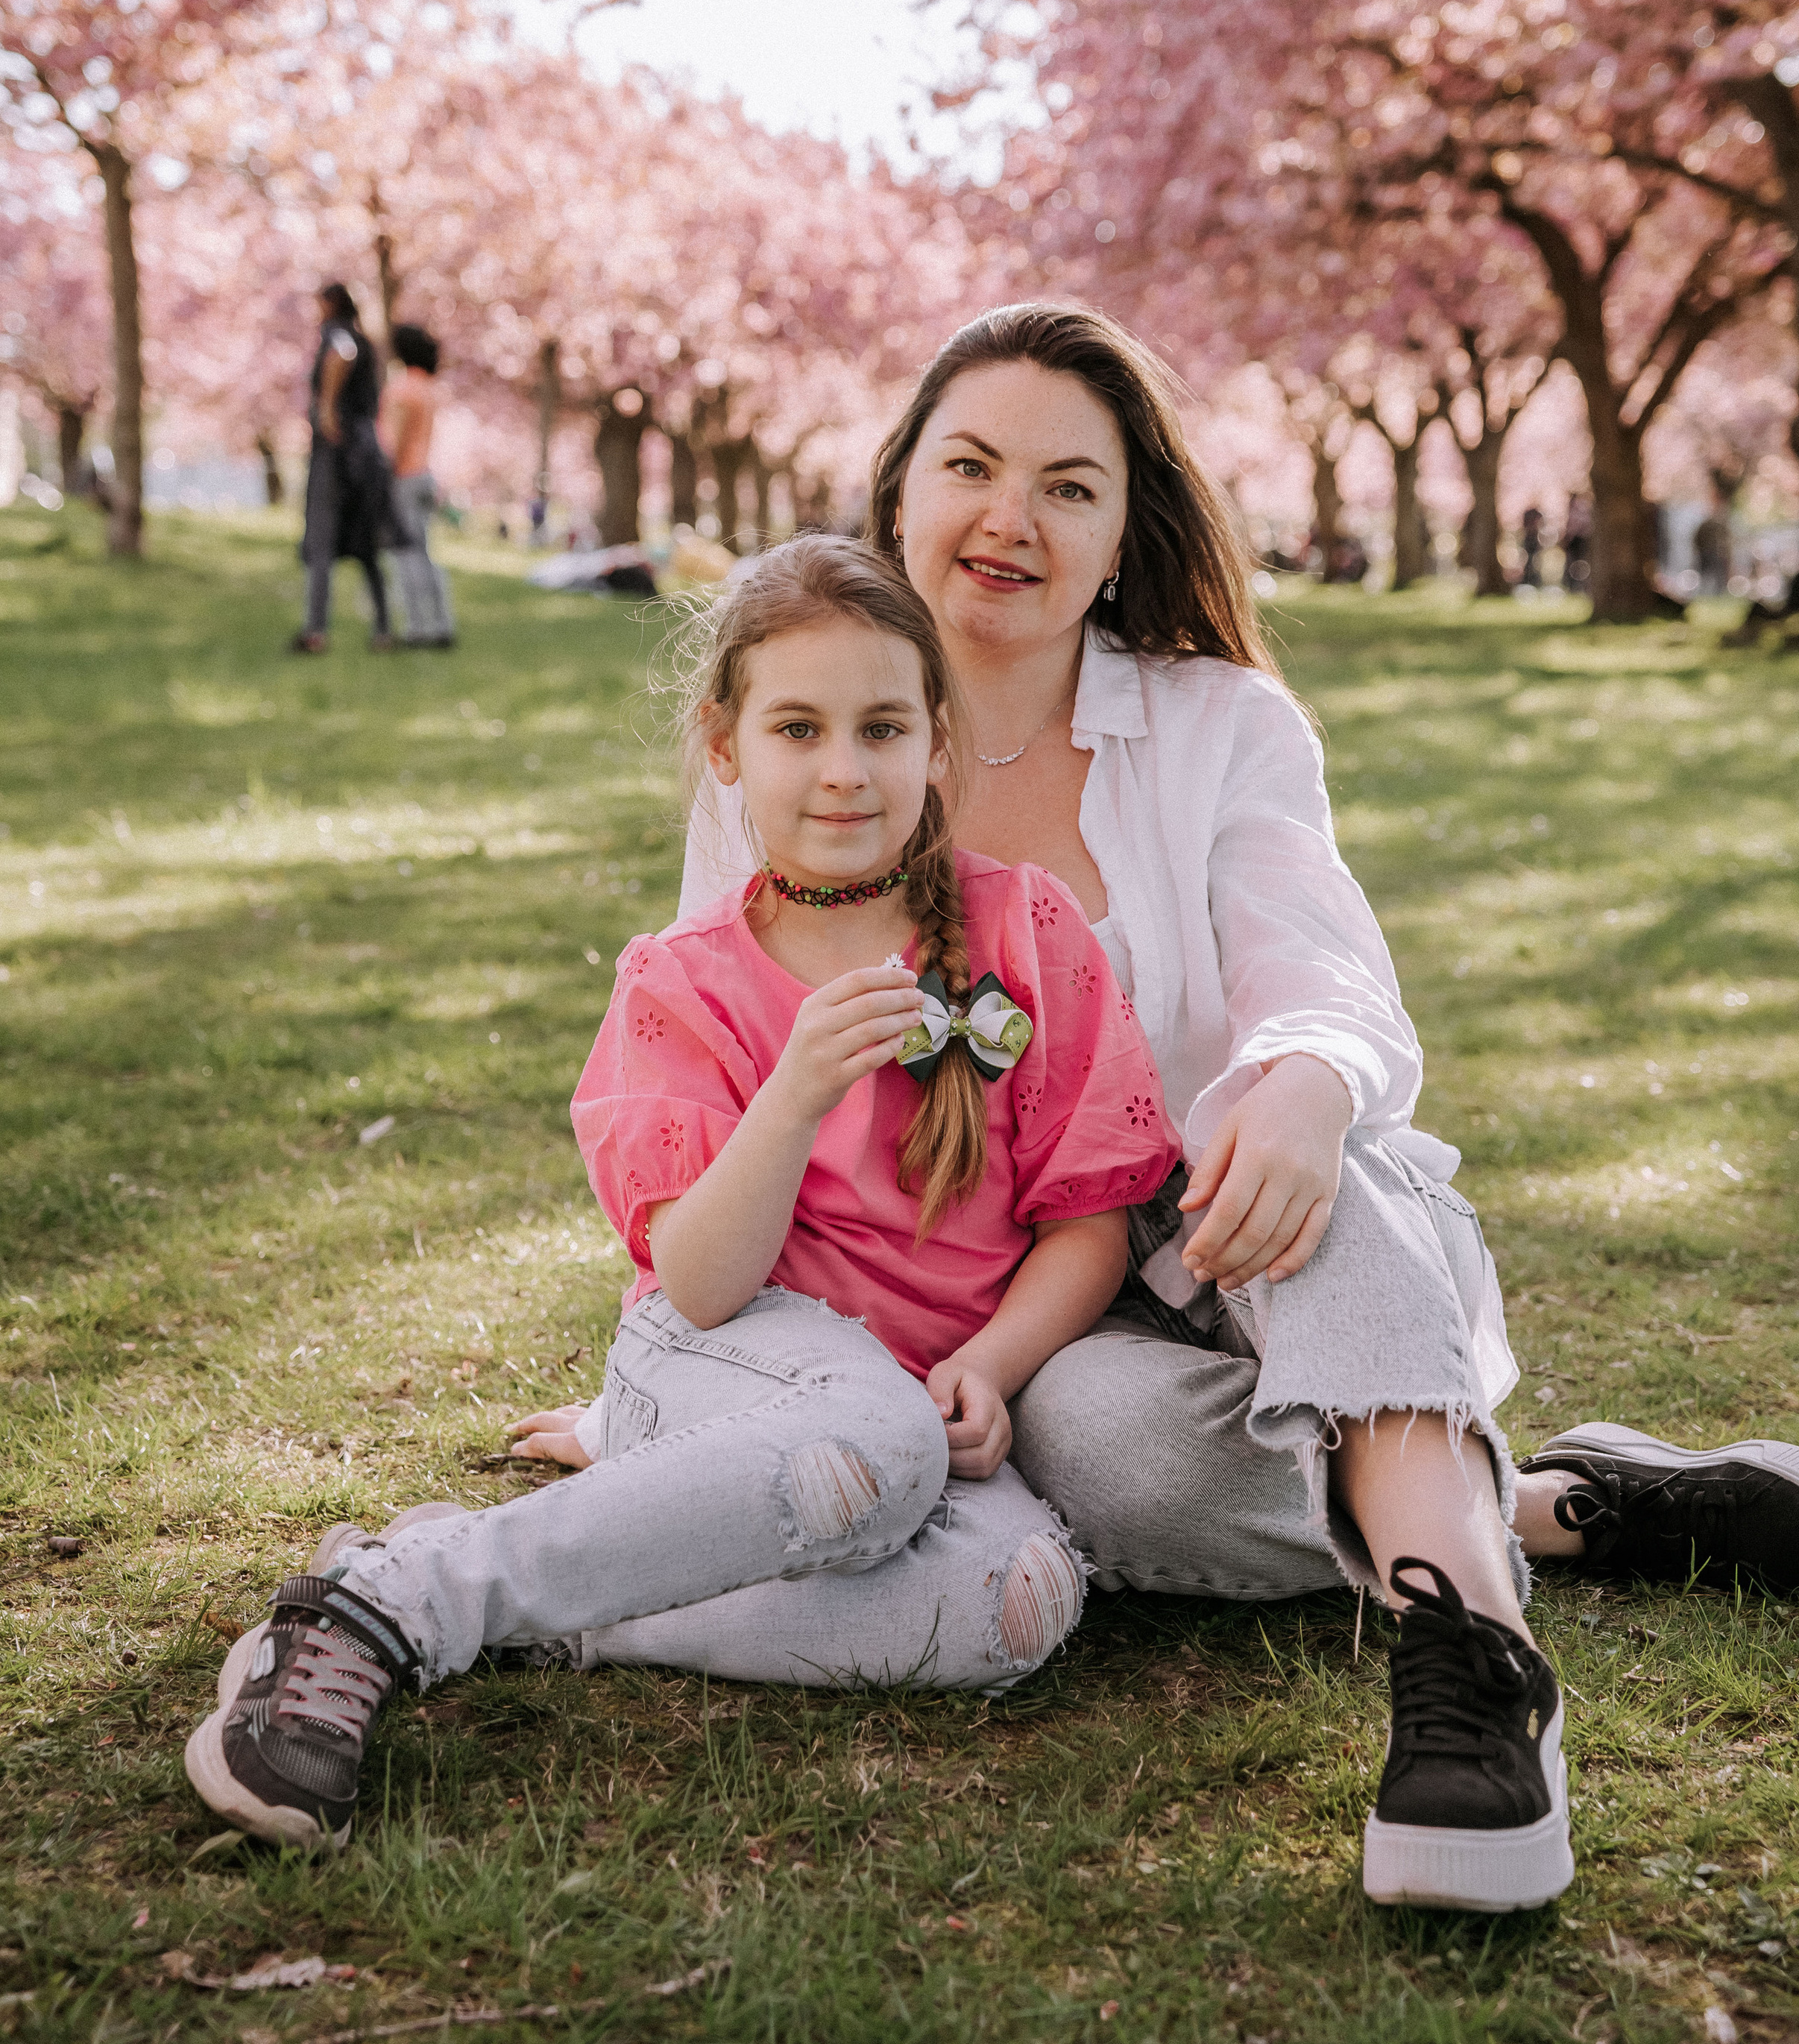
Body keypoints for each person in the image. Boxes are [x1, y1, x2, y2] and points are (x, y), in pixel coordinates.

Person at [630, 306, 1799, 1914]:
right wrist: (695, 1406)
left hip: (1276, 1217)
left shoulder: (1219, 728)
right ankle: (1560, 1511)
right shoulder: (800, 744)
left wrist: (1299, 1085)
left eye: (1067, 485)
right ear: (898, 494)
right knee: (1091, 1456)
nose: (1011, 517)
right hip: (1054, 1303)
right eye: (970, 465)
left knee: (1293, 1157)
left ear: (1121, 531)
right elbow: (735, 1103)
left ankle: (1471, 1658)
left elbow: (1321, 970)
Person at [184, 534, 1177, 1851]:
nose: (842, 767)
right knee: (867, 1445)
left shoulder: (1029, 932)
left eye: (882, 726)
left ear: (939, 743)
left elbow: (1087, 1224)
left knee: (1023, 1600)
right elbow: (703, 1282)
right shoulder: (680, 981)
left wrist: (993, 1365)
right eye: (798, 727)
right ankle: (387, 1600)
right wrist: (794, 1096)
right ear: (726, 746)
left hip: (924, 1407)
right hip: (719, 1360)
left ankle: (577, 1600)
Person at [291, 284, 394, 655]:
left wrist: (327, 408)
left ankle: (316, 631)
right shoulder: (366, 341)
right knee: (367, 545)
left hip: (337, 454)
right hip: (365, 453)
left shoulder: (339, 335)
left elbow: (341, 354)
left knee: (322, 541)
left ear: (330, 304)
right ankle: (383, 630)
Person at [382, 324, 456, 649]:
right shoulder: (428, 388)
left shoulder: (401, 389)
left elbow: (393, 443)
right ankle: (441, 624)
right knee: (425, 555)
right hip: (425, 476)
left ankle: (417, 629)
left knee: (406, 555)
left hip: (403, 479)